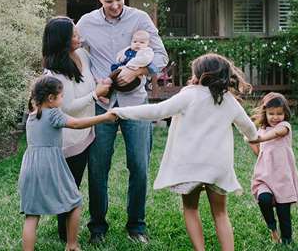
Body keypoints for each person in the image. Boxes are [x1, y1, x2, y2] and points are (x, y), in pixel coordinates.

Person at [111, 53, 259, 251]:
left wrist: (119, 112)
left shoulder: (189, 95)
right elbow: (249, 129)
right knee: (221, 214)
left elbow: (157, 112)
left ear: (201, 74)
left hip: (190, 166)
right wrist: (252, 140)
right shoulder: (229, 101)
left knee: (191, 209)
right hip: (218, 167)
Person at [76, 0, 168, 244]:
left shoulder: (140, 19)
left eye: (118, 0)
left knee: (139, 165)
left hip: (135, 103)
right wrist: (92, 82)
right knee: (97, 167)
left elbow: (161, 56)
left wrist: (139, 70)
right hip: (101, 105)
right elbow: (76, 56)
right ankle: (97, 228)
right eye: (108, 1)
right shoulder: (86, 23)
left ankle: (136, 225)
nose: (115, 5)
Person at [19, 75, 116, 251]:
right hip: (50, 164)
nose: (63, 99)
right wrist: (104, 117)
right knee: (74, 202)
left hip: (30, 165)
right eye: (62, 96)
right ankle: (72, 245)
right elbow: (77, 124)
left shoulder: (33, 114)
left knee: (32, 215)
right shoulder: (53, 113)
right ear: (51, 98)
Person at [41, 16, 111, 242]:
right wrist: (96, 94)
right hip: (70, 139)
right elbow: (68, 108)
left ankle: (93, 225)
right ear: (62, 40)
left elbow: (91, 79)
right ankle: (65, 235)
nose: (79, 37)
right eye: (73, 35)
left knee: (90, 180)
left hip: (88, 129)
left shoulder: (82, 55)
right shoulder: (56, 73)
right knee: (71, 187)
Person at [248, 92, 298, 245]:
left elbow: (276, 133)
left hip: (282, 178)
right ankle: (273, 229)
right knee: (263, 199)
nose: (275, 117)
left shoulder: (285, 127)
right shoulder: (261, 131)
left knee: (283, 212)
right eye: (271, 113)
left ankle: (286, 241)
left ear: (285, 113)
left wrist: (257, 138)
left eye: (279, 113)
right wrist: (251, 140)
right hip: (264, 176)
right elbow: (259, 152)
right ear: (265, 113)